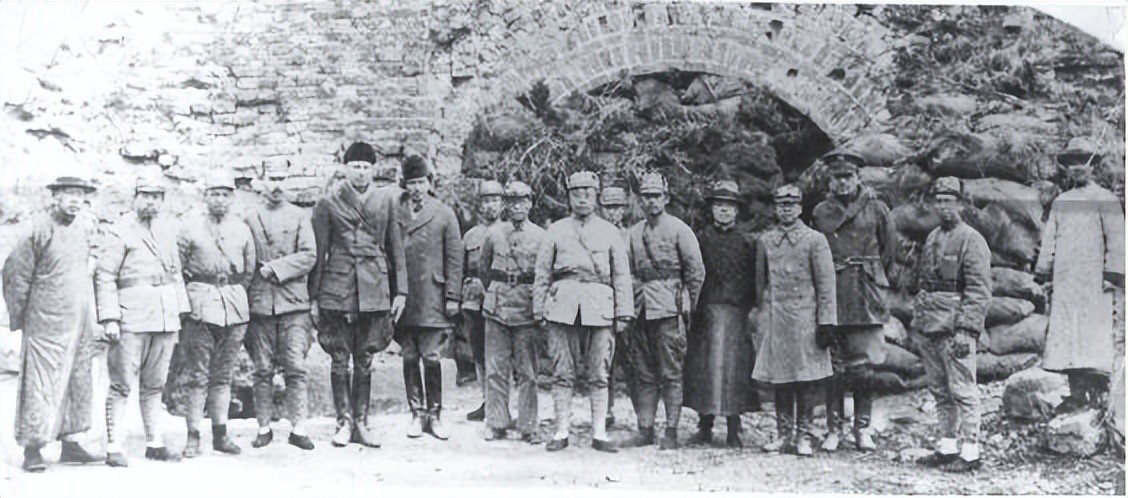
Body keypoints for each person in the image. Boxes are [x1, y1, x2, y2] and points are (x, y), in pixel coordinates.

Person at [310, 141, 407, 448]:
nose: (361, 172)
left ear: (374, 170)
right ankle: (343, 422)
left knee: (365, 356)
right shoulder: (328, 202)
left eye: (366, 167)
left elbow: (395, 247)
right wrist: (314, 298)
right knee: (339, 356)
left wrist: (401, 291)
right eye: (355, 167)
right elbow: (319, 252)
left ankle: (362, 422)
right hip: (337, 286)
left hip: (374, 286)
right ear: (345, 168)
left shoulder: (385, 201)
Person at [3, 176, 102, 472]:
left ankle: (71, 442)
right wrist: (22, 316)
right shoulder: (38, 228)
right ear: (55, 197)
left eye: (80, 195)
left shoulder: (83, 229)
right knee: (40, 383)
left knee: (78, 379)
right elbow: (15, 274)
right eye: (69, 194)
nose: (75, 200)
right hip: (45, 322)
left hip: (78, 320)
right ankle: (32, 448)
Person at [533, 171, 633, 453]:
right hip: (561, 306)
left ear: (596, 197)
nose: (582, 199)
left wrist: (623, 313)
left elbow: (621, 275)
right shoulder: (556, 230)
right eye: (576, 194)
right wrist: (539, 309)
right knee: (562, 372)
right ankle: (561, 431)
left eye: (588, 194)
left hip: (600, 306)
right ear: (568, 197)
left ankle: (599, 432)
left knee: (599, 372)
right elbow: (542, 272)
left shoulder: (610, 232)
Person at [95, 175, 189, 466]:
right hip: (131, 316)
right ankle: (114, 446)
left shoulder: (167, 230)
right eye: (146, 195)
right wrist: (110, 317)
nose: (151, 202)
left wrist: (181, 311)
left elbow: (175, 272)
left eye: (157, 197)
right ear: (134, 197)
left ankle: (154, 443)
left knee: (155, 383)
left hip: (164, 316)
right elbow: (105, 275)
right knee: (121, 383)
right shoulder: (120, 230)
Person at [811, 150, 896, 452]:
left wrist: (872, 276)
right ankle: (833, 429)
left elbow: (889, 251)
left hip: (865, 295)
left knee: (864, 369)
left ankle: (862, 428)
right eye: (837, 177)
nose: (843, 182)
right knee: (833, 367)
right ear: (829, 181)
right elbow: (814, 251)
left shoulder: (876, 208)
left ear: (858, 177)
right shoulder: (821, 212)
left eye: (848, 176)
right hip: (833, 292)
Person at [1035, 137, 1125, 413]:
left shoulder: (1106, 199)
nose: (1077, 168)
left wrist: (1112, 275)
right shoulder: (1061, 202)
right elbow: (1050, 239)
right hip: (1066, 281)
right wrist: (1044, 270)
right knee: (1068, 337)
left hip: (1094, 282)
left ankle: (1098, 394)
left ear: (1093, 166)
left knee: (1093, 336)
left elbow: (1118, 241)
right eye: (1072, 162)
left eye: (1082, 162)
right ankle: (1076, 394)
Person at [910, 177, 991, 473]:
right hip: (930, 323)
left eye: (949, 201)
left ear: (961, 204)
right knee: (939, 389)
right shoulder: (933, 237)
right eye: (939, 201)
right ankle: (947, 447)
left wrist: (966, 329)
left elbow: (979, 290)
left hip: (955, 327)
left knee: (963, 389)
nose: (944, 207)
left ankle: (971, 452)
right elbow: (924, 282)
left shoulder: (971, 239)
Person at [752, 185, 836, 457]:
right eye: (781, 205)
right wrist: (761, 317)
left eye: (791, 205)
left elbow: (826, 285)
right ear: (775, 209)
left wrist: (826, 322)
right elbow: (760, 284)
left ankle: (804, 435)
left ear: (800, 208)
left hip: (805, 319)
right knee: (781, 378)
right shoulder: (766, 241)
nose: (786, 210)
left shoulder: (815, 240)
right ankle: (783, 434)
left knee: (805, 378)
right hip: (777, 318)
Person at [176, 172, 256, 458]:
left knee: (223, 376)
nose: (219, 199)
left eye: (224, 194)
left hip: (233, 306)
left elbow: (249, 270)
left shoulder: (242, 229)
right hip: (200, 306)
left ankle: (221, 435)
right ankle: (193, 436)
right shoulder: (190, 228)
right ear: (205, 197)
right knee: (197, 375)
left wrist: (234, 292)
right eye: (214, 194)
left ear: (232, 198)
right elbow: (178, 269)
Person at [625, 171, 705, 450]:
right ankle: (645, 427)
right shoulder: (633, 233)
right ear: (640, 200)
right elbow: (626, 270)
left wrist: (688, 306)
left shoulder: (680, 230)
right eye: (646, 196)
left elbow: (695, 272)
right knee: (643, 371)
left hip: (670, 309)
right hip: (641, 309)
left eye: (656, 196)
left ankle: (671, 429)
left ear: (666, 198)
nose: (651, 201)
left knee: (671, 371)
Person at [245, 164, 317, 450]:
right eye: (271, 179)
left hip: (294, 305)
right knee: (262, 369)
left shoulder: (300, 216)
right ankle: (264, 427)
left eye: (281, 179)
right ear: (261, 182)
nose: (276, 185)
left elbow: (309, 255)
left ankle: (298, 428)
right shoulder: (250, 218)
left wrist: (275, 268)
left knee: (295, 367)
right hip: (260, 305)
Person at [684, 180, 760, 448]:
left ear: (737, 210)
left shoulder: (748, 242)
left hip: (736, 313)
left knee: (734, 370)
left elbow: (755, 279)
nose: (724, 210)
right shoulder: (700, 239)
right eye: (719, 205)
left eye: (729, 206)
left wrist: (752, 308)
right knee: (704, 369)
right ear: (712, 209)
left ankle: (733, 428)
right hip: (706, 312)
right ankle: (704, 426)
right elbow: (691, 273)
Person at [394, 155, 463, 440]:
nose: (417, 189)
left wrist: (453, 296)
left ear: (430, 183)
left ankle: (435, 414)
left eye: (421, 182)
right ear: (404, 184)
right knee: (409, 355)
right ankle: (417, 413)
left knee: (431, 356)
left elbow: (455, 258)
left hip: (433, 295)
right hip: (404, 296)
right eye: (411, 183)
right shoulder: (394, 212)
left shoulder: (444, 213)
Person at [479, 181, 547, 442]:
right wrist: (495, 290)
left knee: (527, 371)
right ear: (506, 205)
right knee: (496, 368)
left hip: (526, 309)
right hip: (497, 308)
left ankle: (528, 425)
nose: (517, 206)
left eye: (522, 201)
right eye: (512, 202)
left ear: (530, 204)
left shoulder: (541, 236)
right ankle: (496, 422)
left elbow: (544, 274)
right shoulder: (494, 233)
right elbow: (484, 269)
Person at [460, 180, 505, 421]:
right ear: (480, 205)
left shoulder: (508, 232)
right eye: (486, 201)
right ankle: (487, 400)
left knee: (499, 354)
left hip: (500, 299)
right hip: (474, 299)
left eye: (495, 200)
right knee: (479, 352)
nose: (490, 206)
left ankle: (500, 403)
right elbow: (460, 268)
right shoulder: (471, 236)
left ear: (502, 204)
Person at [598, 186, 630, 428]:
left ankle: (643, 417)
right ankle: (605, 410)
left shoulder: (631, 236)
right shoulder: (596, 234)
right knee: (603, 359)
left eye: (617, 208)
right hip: (603, 303)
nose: (613, 213)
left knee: (632, 360)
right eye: (609, 208)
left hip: (628, 303)